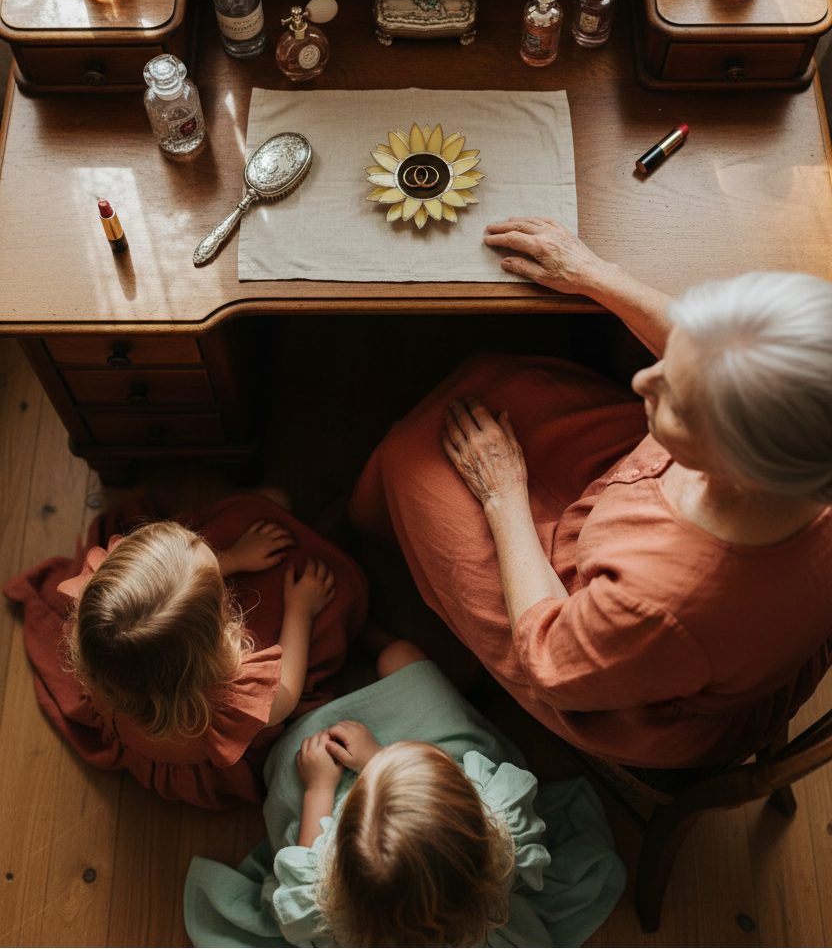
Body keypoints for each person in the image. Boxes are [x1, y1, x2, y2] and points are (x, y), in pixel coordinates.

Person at [349, 217, 832, 771]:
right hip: (640, 525)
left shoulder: (662, 606)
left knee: (413, 455)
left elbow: (549, 660)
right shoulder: (800, 439)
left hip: (605, 651)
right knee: (492, 379)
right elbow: (715, 353)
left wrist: (505, 494)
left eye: (675, 401)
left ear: (738, 462)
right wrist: (597, 276)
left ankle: (375, 525)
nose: (643, 381)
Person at [184, 645, 626, 948]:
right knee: (403, 659)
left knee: (294, 761)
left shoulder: (329, 914)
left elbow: (304, 864)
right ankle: (376, 641)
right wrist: (378, 756)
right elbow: (451, 788)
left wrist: (321, 786)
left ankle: (358, 654)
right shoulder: (504, 833)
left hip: (332, 786)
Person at [5, 492, 368, 808]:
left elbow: (167, 591)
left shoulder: (102, 630)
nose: (208, 547)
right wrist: (301, 609)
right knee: (285, 522)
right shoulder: (230, 701)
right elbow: (285, 693)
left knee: (268, 502)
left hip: (141, 723)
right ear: (214, 638)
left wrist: (234, 558)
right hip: (206, 754)